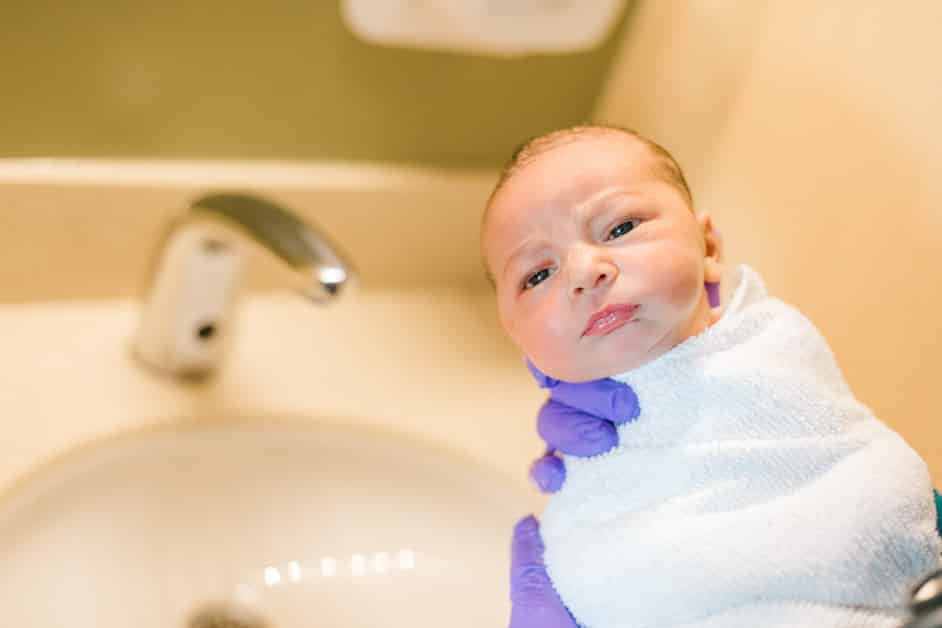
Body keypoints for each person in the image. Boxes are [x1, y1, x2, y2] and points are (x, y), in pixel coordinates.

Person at [481, 125, 942, 627]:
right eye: (537, 275)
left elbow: (845, 466)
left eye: (619, 228)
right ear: (514, 335)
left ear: (708, 245)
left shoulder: (771, 343)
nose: (583, 272)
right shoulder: (578, 455)